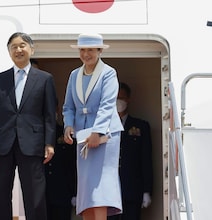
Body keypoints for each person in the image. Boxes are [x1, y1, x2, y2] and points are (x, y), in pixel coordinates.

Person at [0, 32, 57, 220]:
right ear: (9, 52)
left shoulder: (44, 79)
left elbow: (49, 115)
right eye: (14, 47)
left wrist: (49, 143)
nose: (18, 50)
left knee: (34, 195)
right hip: (3, 143)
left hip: (32, 143)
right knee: (0, 193)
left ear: (31, 49)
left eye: (22, 45)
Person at [62, 33, 124, 220]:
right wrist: (68, 126)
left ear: (99, 50)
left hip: (105, 135)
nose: (86, 54)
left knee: (101, 185)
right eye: (82, 50)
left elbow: (107, 105)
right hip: (83, 135)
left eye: (90, 50)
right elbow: (68, 107)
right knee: (86, 186)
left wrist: (98, 131)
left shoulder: (108, 73)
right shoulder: (74, 75)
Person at [108, 82, 153, 220]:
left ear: (128, 99)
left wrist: (147, 190)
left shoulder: (141, 126)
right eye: (115, 98)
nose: (118, 101)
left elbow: (146, 159)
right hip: (108, 191)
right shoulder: (103, 126)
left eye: (121, 97)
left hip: (132, 189)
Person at [45, 102, 77, 220]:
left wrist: (74, 192)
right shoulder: (36, 135)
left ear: (57, 109)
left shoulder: (65, 134)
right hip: (42, 194)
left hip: (62, 193)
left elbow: (73, 165)